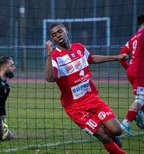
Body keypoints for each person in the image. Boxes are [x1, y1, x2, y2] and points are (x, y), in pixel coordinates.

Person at [45, 23, 128, 154]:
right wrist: (49, 54)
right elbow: (49, 78)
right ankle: (109, 139)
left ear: (66, 31)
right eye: (54, 35)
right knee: (103, 136)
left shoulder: (79, 48)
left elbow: (92, 58)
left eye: (60, 31)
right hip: (75, 107)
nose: (58, 35)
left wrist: (116, 57)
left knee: (117, 130)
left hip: (92, 99)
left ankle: (111, 135)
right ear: (53, 39)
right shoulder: (55, 57)